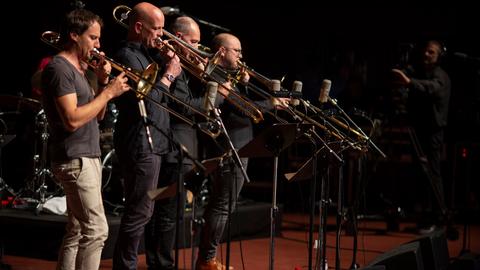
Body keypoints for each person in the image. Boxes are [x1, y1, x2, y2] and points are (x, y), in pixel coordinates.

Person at [40, 8, 130, 270]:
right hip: (75, 157)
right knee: (97, 230)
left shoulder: (79, 70)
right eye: (93, 37)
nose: (98, 45)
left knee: (78, 229)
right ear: (74, 35)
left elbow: (97, 116)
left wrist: (102, 85)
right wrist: (109, 93)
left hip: (86, 155)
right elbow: (72, 120)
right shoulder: (59, 68)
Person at [196, 33, 288, 270]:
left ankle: (207, 257)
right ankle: (207, 259)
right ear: (221, 52)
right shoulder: (215, 74)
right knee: (223, 206)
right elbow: (244, 109)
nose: (241, 56)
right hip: (231, 147)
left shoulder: (228, 75)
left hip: (239, 145)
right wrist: (272, 103)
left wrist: (245, 84)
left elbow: (242, 104)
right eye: (236, 51)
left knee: (222, 205)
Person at [111, 2, 182, 269]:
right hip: (141, 143)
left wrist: (167, 66)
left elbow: (166, 101)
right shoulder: (127, 56)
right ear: (138, 27)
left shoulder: (148, 54)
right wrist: (169, 75)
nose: (162, 35)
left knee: (147, 213)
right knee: (138, 213)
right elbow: (150, 101)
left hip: (157, 141)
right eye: (157, 29)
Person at [144, 16, 214, 270]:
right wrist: (215, 98)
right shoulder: (168, 62)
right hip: (172, 147)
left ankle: (160, 262)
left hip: (179, 148)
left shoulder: (180, 64)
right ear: (180, 38)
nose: (197, 48)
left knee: (168, 214)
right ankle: (162, 264)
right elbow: (182, 107)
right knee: (167, 215)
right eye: (194, 42)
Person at [391, 40, 451, 233]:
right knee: (421, 174)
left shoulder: (440, 76)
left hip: (433, 132)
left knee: (432, 173)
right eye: (425, 51)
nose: (426, 55)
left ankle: (439, 217)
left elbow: (431, 87)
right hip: (420, 129)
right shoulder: (419, 72)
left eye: (431, 52)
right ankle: (426, 216)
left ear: (439, 56)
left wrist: (409, 82)